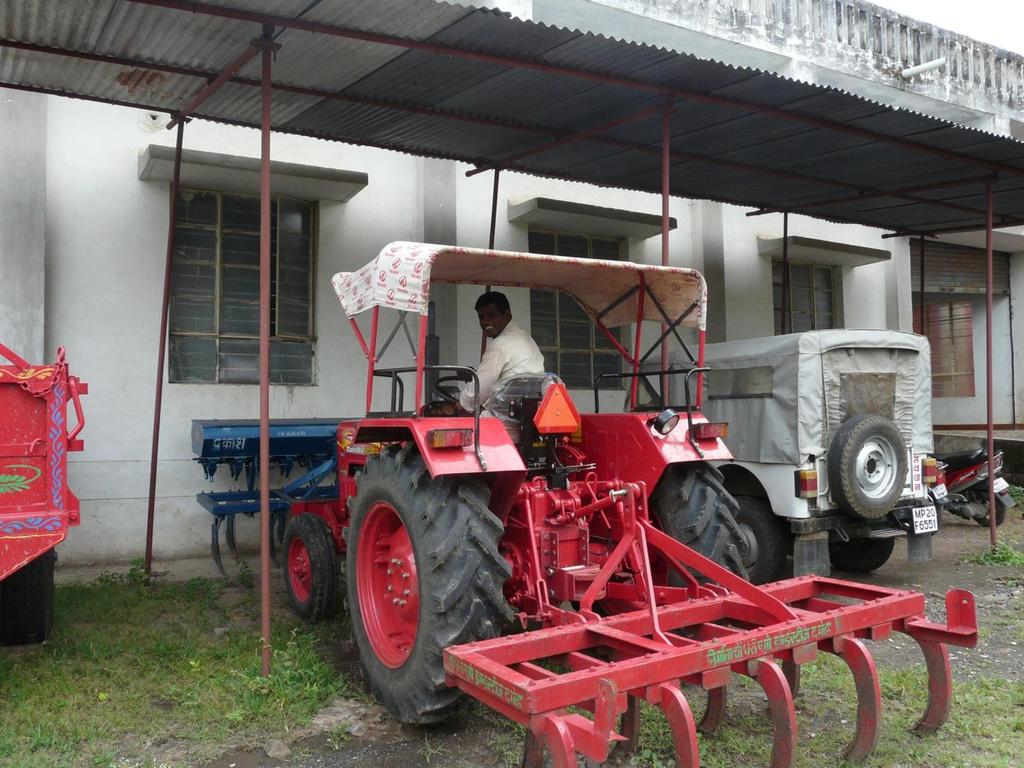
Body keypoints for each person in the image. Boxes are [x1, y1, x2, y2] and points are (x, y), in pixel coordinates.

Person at [459, 291, 545, 414]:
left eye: (491, 315)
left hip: (503, 418)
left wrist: (461, 403)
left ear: (507, 315)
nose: (485, 322)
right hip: (528, 415)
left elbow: (479, 390)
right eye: (481, 317)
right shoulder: (526, 338)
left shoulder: (499, 345)